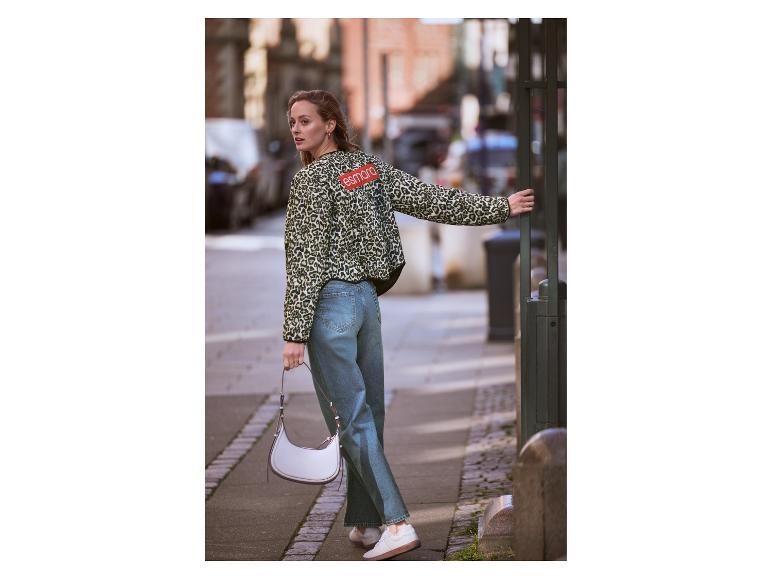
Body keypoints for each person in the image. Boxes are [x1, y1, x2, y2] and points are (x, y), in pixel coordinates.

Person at [281, 89, 534, 561]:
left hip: (329, 311)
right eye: (293, 121)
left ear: (330, 124)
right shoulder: (368, 170)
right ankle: (365, 518)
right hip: (364, 305)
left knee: (351, 418)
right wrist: (500, 208)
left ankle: (397, 523)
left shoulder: (311, 181)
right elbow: (430, 200)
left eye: (306, 121)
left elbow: (306, 259)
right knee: (367, 414)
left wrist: (294, 331)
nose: (296, 129)